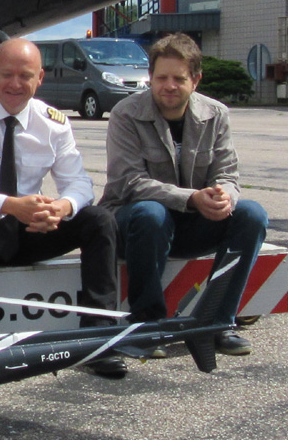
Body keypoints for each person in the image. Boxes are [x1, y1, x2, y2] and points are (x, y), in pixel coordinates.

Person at [0, 39, 125, 377]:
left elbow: (80, 183)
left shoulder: (53, 122)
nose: (15, 84)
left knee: (99, 220)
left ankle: (97, 340)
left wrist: (59, 207)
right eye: (7, 74)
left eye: (25, 76)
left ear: (40, 77)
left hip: (32, 230)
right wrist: (13, 206)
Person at [102, 32, 267, 356]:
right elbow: (128, 182)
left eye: (179, 78)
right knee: (152, 212)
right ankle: (147, 326)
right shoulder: (126, 113)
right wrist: (191, 198)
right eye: (161, 77)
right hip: (135, 225)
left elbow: (228, 173)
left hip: (191, 223)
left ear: (196, 79)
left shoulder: (216, 114)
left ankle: (216, 324)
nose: (169, 86)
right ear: (149, 78)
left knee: (251, 214)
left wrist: (224, 197)